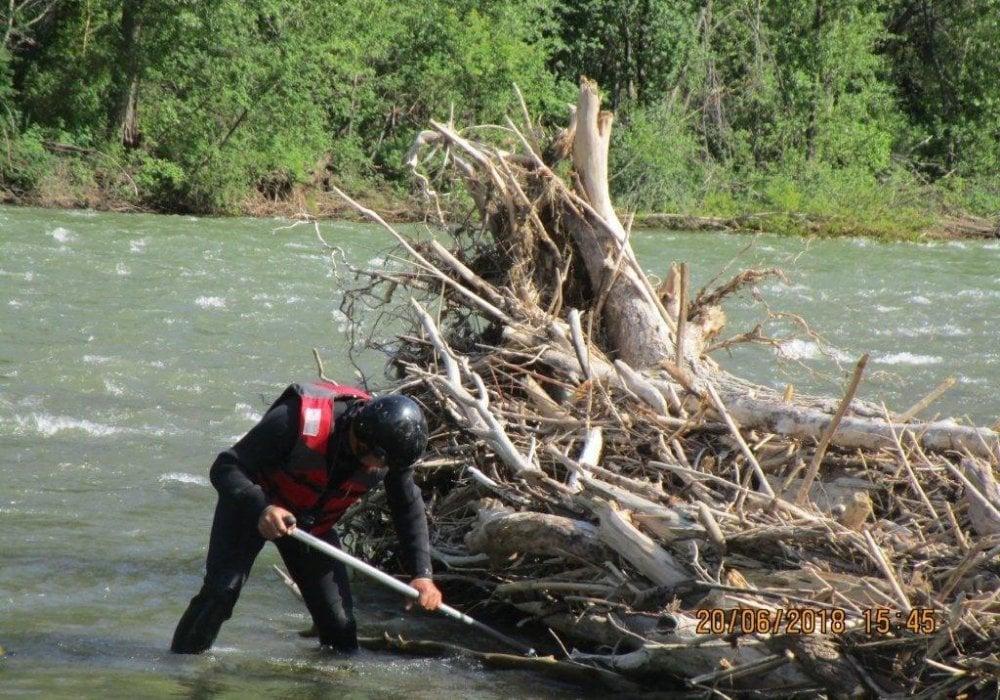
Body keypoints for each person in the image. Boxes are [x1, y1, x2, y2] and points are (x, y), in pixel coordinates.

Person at [171, 380, 443, 654]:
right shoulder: (293, 419)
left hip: (311, 524)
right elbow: (226, 467)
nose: (384, 470)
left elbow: (407, 505)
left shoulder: (389, 449)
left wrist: (422, 573)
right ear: (362, 442)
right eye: (382, 463)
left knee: (340, 626)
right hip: (253, 507)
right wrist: (264, 508)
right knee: (221, 593)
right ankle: (181, 671)